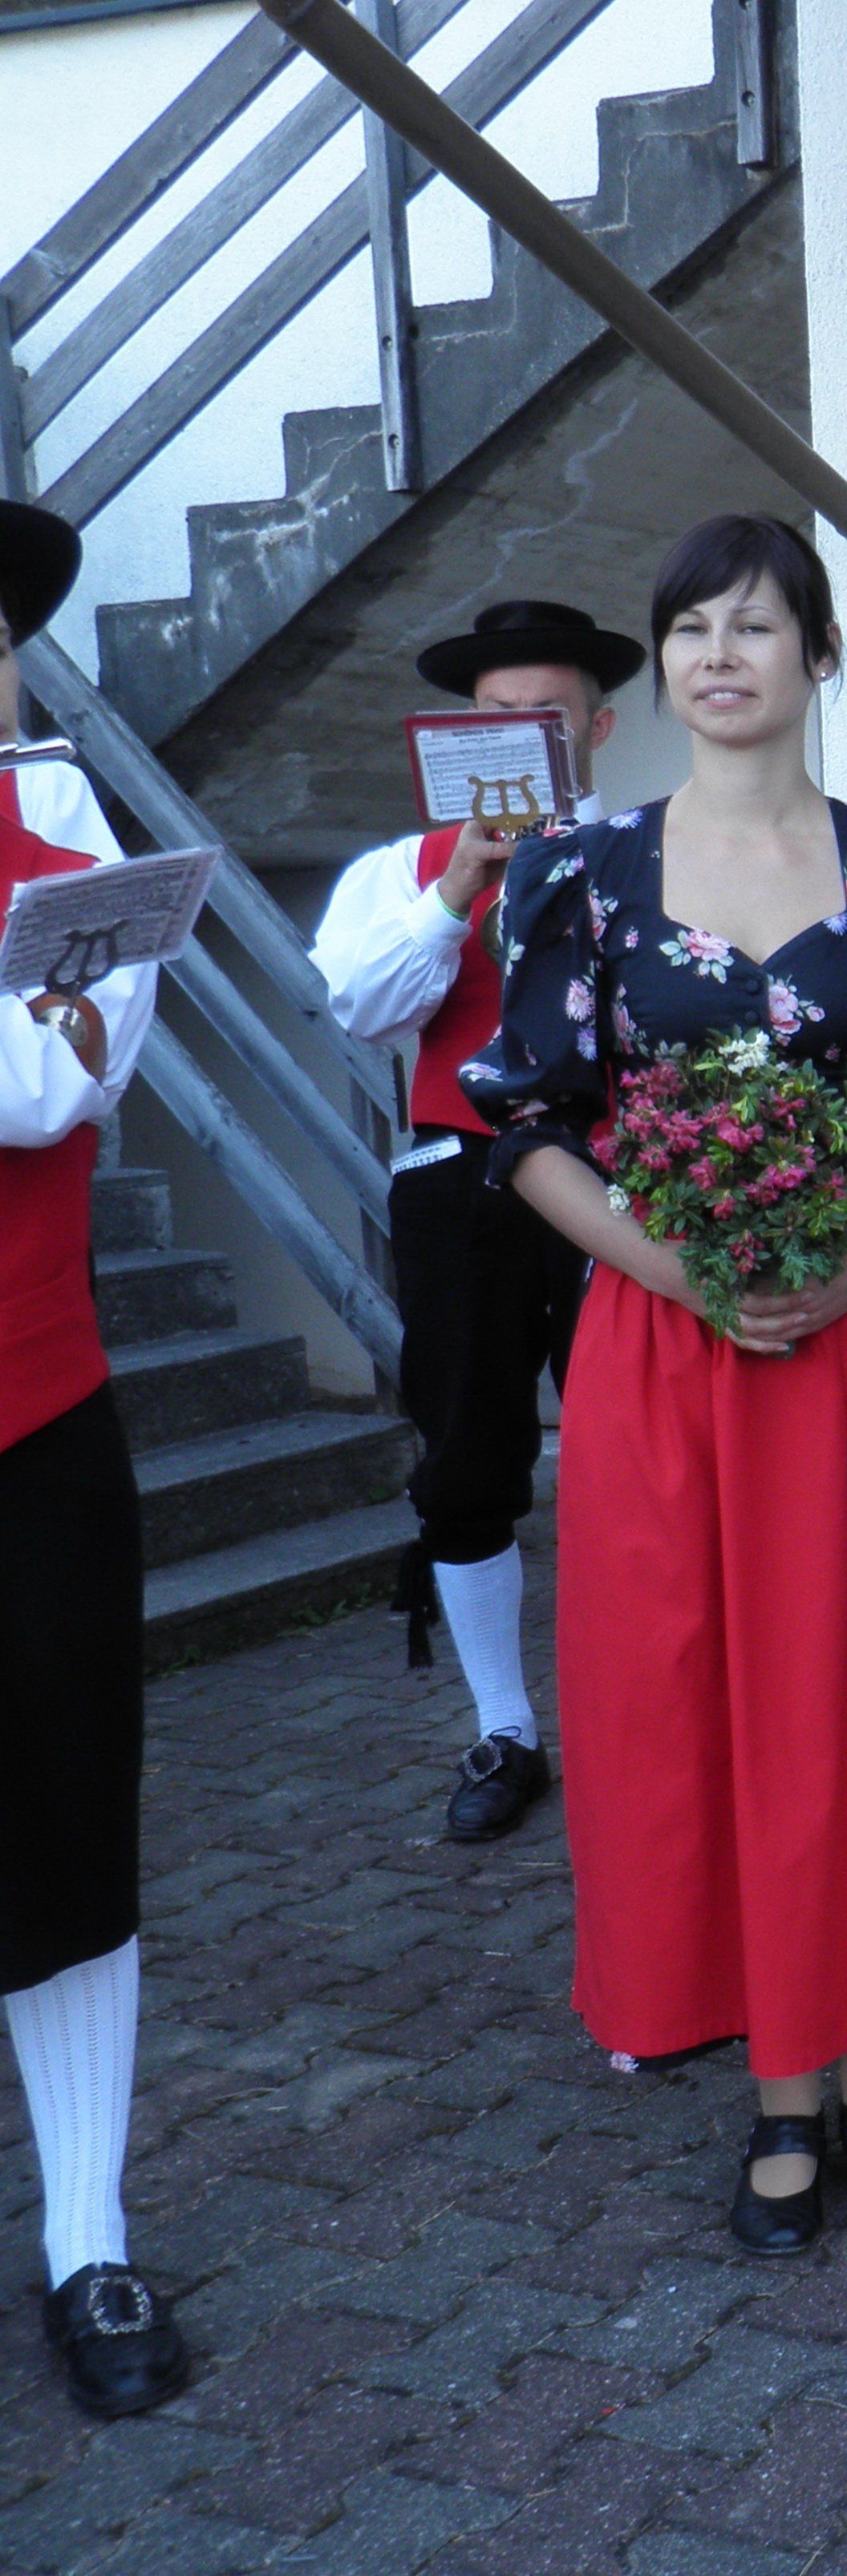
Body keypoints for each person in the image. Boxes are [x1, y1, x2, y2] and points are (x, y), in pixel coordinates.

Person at [462, 515, 847, 2250]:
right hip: (674, 1352)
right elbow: (524, 1119)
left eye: (754, 624)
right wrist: (674, 1268)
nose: (720, 655)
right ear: (660, 667)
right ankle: (779, 2083)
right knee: (699, 1707)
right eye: (690, 629)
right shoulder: (577, 870)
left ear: (819, 654)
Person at [310, 601, 644, 1842]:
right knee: (465, 1453)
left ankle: (652, 1714)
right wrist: (460, 881)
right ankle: (506, 1724)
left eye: (545, 715)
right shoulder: (395, 870)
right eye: (495, 716)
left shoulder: (656, 855)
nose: (519, 733)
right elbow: (361, 1007)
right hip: (459, 1178)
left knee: (644, 1445)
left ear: (595, 730)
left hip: (621, 1177)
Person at [0, 499, 192, 2416]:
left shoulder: (77, 869)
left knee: (59, 1830)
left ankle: (87, 2235)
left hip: (28, 1414)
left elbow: (43, 1082)